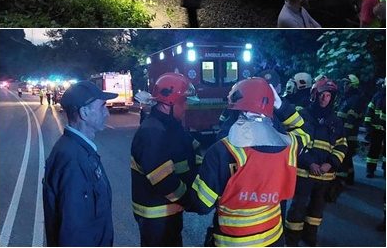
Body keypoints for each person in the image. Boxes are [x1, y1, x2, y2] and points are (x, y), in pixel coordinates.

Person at [189, 78, 311, 247]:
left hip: (233, 242)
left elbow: (201, 205)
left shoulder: (221, 150)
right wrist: (281, 107)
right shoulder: (289, 145)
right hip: (273, 238)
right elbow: (304, 132)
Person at [43, 81, 116, 246]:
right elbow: (74, 233)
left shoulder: (78, 149)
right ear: (84, 113)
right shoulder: (73, 161)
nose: (107, 113)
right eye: (102, 107)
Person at [130, 73, 200, 246]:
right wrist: (191, 200)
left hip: (170, 213)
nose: (185, 109)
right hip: (156, 219)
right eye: (183, 103)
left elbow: (191, 154)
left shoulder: (171, 127)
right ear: (169, 103)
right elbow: (163, 179)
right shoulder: (152, 132)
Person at [285, 77, 347, 247]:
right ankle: (292, 241)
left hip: (325, 176)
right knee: (297, 208)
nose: (324, 98)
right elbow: (294, 142)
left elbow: (342, 146)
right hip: (304, 173)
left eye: (328, 95)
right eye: (321, 94)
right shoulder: (302, 115)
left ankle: (310, 238)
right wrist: (309, 163)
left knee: (316, 212)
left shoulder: (336, 121)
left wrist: (331, 164)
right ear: (314, 95)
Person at [329, 74, 364, 200]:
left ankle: (340, 181)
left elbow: (350, 120)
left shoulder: (355, 100)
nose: (344, 86)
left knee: (343, 158)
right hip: (344, 133)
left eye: (347, 84)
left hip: (348, 135)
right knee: (347, 158)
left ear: (352, 85)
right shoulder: (347, 98)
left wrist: (342, 134)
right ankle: (350, 179)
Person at [364, 79, 385, 178]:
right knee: (373, 150)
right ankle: (370, 170)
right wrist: (368, 125)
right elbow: (370, 111)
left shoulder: (378, 95)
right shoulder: (378, 96)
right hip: (376, 129)